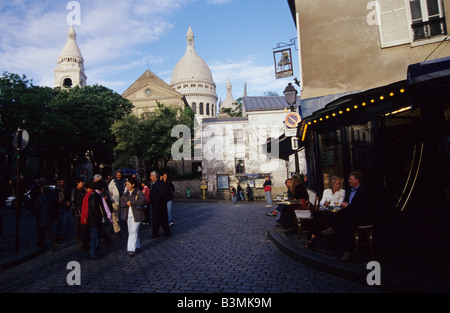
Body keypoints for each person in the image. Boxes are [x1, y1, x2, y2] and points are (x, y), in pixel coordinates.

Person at [335, 171, 374, 262]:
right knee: (341, 219)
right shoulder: (349, 190)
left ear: (357, 180)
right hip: (349, 215)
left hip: (362, 216)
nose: (348, 181)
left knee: (344, 222)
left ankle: (348, 251)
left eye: (350, 179)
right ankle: (343, 248)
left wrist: (348, 206)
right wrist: (344, 204)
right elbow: (345, 201)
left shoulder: (365, 190)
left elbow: (362, 205)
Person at [304, 176, 345, 249]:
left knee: (319, 218)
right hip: (326, 211)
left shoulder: (342, 192)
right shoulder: (326, 191)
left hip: (336, 213)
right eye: (336, 184)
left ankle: (314, 237)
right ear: (332, 185)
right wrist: (325, 203)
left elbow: (339, 203)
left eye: (339, 184)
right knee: (316, 216)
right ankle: (312, 237)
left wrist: (328, 204)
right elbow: (321, 202)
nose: (338, 185)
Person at [120, 177, 146, 257]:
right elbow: (122, 203)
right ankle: (137, 246)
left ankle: (131, 249)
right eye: (126, 184)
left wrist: (132, 202)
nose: (127, 186)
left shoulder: (139, 192)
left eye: (128, 184)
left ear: (133, 184)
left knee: (133, 232)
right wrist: (126, 203)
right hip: (128, 215)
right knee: (132, 231)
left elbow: (142, 201)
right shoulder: (126, 193)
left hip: (137, 215)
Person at [81, 180, 107, 260]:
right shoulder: (94, 195)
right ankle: (94, 254)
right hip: (94, 220)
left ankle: (95, 252)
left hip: (94, 219)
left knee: (96, 237)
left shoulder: (94, 195)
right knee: (95, 238)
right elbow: (93, 209)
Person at [33, 185, 59, 251]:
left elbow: (36, 206)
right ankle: (44, 243)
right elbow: (56, 208)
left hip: (42, 216)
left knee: (45, 230)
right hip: (50, 216)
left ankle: (52, 243)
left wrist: (35, 213)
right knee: (47, 229)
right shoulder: (53, 197)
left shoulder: (41, 197)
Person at [150, 171, 171, 238]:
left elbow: (162, 194)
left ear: (154, 176)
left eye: (151, 176)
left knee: (161, 220)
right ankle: (156, 233)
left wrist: (158, 202)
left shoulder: (160, 183)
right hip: (156, 204)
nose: (150, 177)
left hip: (159, 205)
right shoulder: (154, 183)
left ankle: (164, 232)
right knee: (157, 220)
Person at [108, 170, 127, 237]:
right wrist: (112, 197)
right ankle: (117, 230)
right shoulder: (113, 182)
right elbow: (109, 190)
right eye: (117, 174)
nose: (118, 176)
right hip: (115, 200)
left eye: (120, 175)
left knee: (125, 214)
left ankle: (125, 225)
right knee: (115, 216)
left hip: (123, 200)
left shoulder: (125, 181)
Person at [71, 178, 86, 247]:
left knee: (82, 225)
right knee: (78, 226)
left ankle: (80, 237)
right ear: (78, 183)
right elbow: (73, 202)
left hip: (83, 209)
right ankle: (80, 238)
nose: (83, 183)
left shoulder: (83, 190)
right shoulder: (74, 191)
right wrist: (76, 211)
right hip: (78, 210)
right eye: (81, 182)